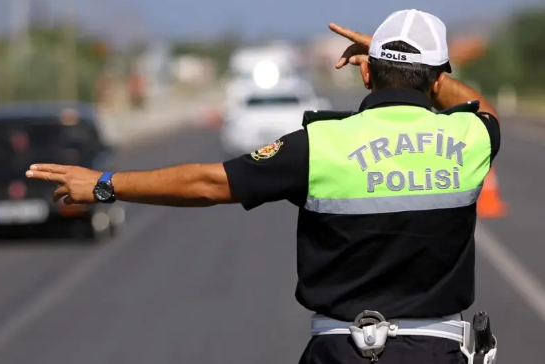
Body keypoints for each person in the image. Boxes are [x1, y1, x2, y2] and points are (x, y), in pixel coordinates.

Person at [26, 9, 500, 364]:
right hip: (439, 353)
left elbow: (209, 183)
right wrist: (425, 76)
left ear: (366, 72)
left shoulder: (318, 144)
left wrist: (105, 185)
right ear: (438, 78)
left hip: (341, 352)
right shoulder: (471, 137)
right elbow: (482, 108)